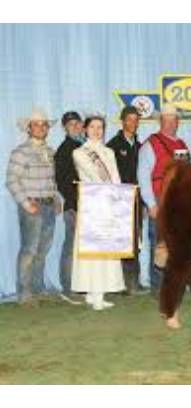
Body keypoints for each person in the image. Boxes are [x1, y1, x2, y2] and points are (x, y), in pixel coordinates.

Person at [6, 107, 61, 305]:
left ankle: (38, 288)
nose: (41, 127)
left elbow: (52, 180)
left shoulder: (50, 152)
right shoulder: (20, 152)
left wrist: (56, 198)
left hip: (48, 205)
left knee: (42, 250)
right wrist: (26, 203)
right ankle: (24, 293)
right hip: (32, 206)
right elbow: (11, 180)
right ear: (28, 128)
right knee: (29, 250)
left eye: (44, 124)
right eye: (36, 124)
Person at [72, 115, 126, 310]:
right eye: (93, 127)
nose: (97, 131)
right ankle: (93, 293)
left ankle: (99, 293)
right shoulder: (79, 152)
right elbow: (95, 176)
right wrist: (111, 188)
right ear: (85, 129)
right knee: (93, 249)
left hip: (108, 204)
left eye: (100, 127)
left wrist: (119, 196)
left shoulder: (109, 152)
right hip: (92, 203)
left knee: (106, 248)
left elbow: (116, 177)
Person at [137, 104, 189, 295]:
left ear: (178, 122)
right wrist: (151, 204)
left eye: (173, 120)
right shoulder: (151, 144)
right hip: (160, 200)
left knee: (177, 244)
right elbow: (143, 175)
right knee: (159, 244)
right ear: (160, 122)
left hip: (179, 203)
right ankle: (158, 287)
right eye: (166, 120)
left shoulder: (182, 144)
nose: (170, 124)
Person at [106, 106, 144, 295]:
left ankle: (133, 281)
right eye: (130, 119)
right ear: (122, 121)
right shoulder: (113, 146)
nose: (133, 123)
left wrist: (143, 201)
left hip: (136, 199)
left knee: (136, 241)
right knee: (122, 241)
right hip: (119, 199)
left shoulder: (140, 146)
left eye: (136, 120)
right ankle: (123, 283)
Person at [54, 111, 86, 304]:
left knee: (82, 248)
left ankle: (81, 286)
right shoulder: (65, 150)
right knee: (71, 247)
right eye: (70, 124)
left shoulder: (84, 147)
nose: (75, 126)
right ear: (65, 128)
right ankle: (68, 288)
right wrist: (75, 202)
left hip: (87, 205)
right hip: (75, 206)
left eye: (77, 123)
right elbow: (62, 182)